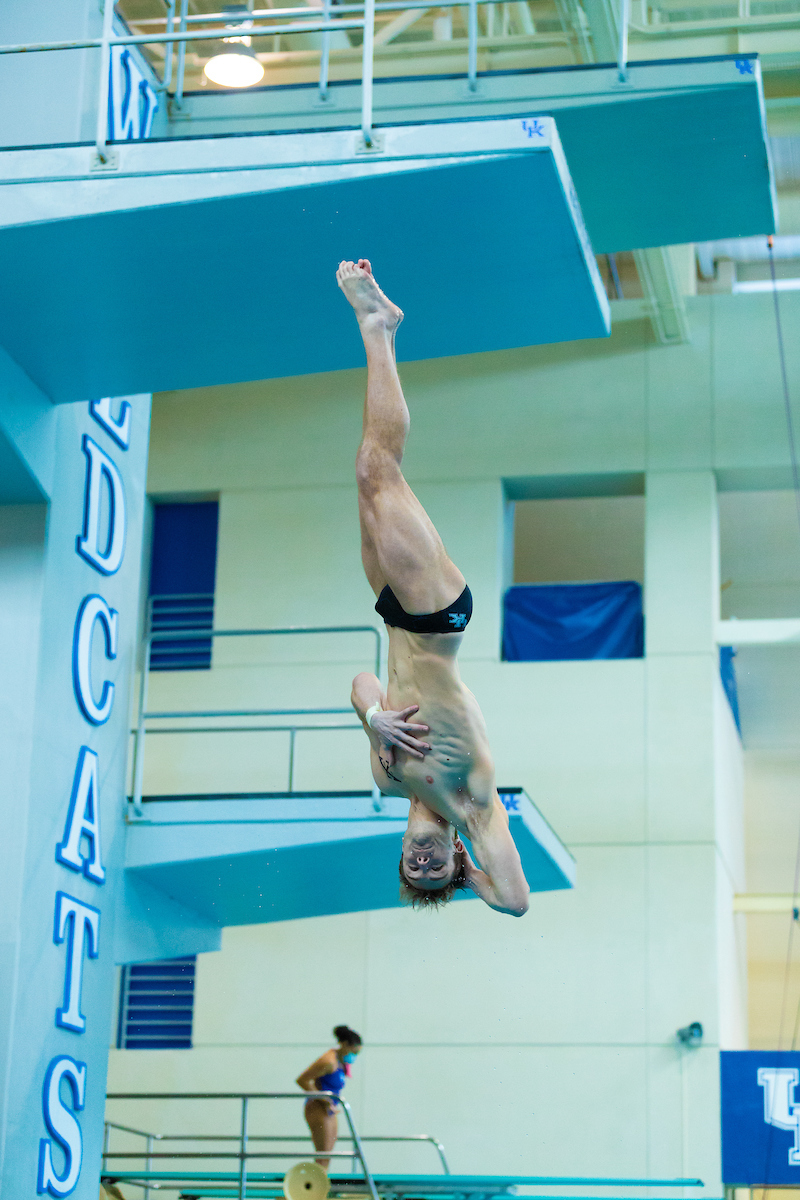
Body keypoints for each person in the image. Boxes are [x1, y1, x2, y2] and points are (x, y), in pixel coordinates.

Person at [337, 259, 530, 917]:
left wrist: (374, 718)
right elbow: (516, 902)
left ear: (400, 849)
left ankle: (378, 328)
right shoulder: (472, 805)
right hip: (439, 618)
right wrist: (468, 877)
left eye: (413, 868)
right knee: (378, 469)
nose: (423, 862)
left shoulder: (387, 778)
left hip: (394, 615)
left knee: (367, 471)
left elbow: (365, 681)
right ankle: (378, 326)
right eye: (434, 868)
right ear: (453, 852)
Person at [296, 1025, 362, 1170]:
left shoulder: (340, 1061)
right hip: (318, 1108)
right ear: (344, 1045)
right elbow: (302, 1080)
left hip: (329, 1108)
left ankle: (320, 1189)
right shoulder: (328, 1061)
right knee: (322, 1156)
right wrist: (324, 1100)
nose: (354, 1057)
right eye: (354, 1052)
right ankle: (314, 1191)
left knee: (326, 1157)